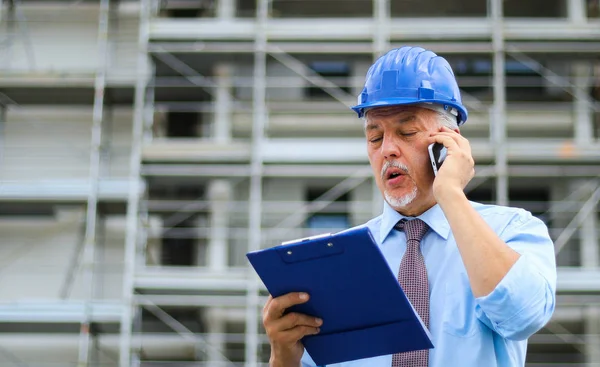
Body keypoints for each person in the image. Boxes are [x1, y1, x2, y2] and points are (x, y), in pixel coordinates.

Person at [262, 46, 557, 367]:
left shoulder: (510, 230)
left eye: (407, 132)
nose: (388, 149)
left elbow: (523, 317)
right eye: (375, 138)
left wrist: (451, 194)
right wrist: (283, 356)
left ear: (449, 142)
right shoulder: (341, 260)